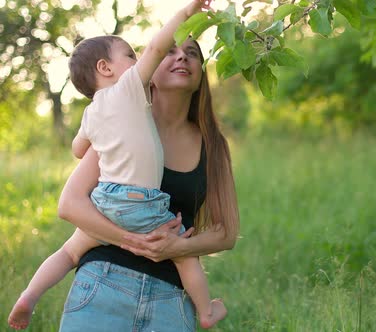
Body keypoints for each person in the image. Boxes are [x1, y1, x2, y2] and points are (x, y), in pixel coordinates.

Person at [8, 1, 238, 330]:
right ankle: (207, 312)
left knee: (69, 250)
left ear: (202, 75)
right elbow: (69, 204)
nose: (181, 56)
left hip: (169, 299)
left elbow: (226, 234)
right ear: (149, 70)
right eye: (169, 51)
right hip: (102, 282)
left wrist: (177, 246)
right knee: (79, 251)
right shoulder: (124, 121)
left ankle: (30, 294)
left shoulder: (213, 146)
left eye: (193, 52)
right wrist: (129, 239)